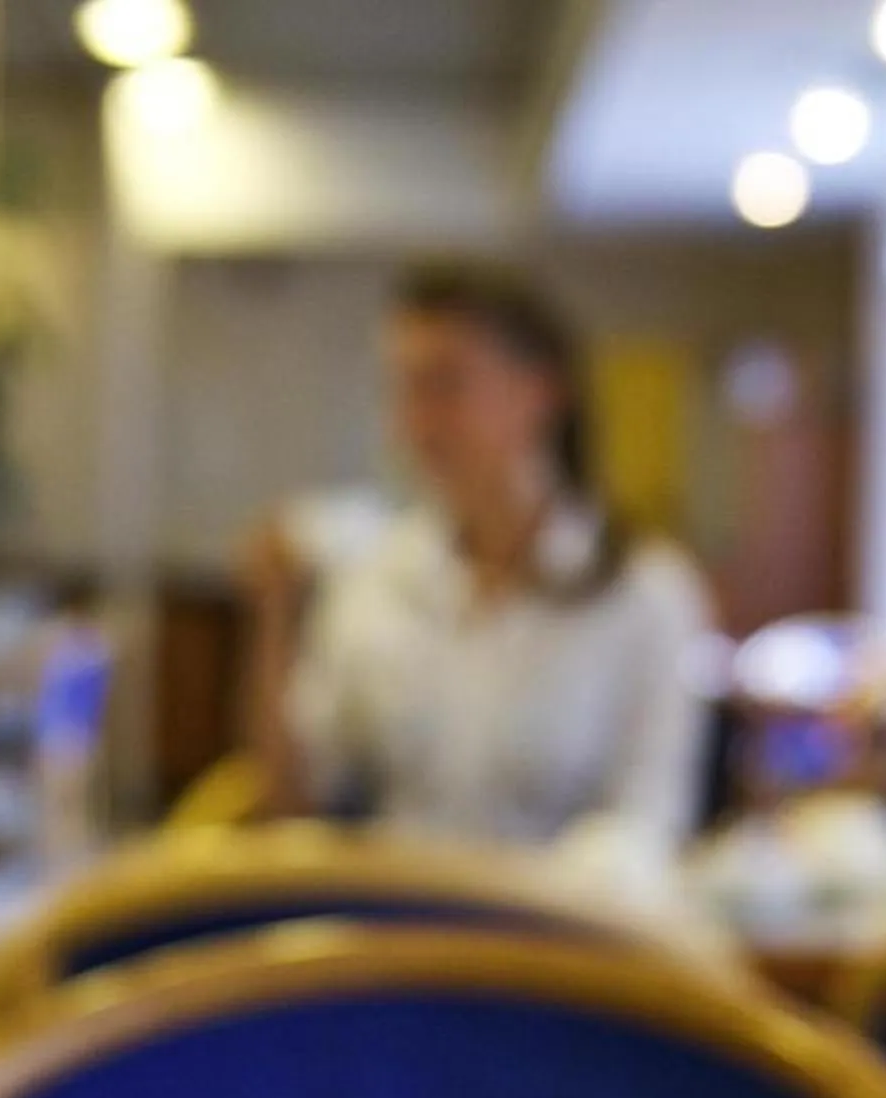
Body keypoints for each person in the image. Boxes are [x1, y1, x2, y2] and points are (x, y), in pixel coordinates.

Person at [242, 265, 716, 852]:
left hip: (564, 908)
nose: (416, 423)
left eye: (445, 385)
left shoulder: (648, 591)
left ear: (540, 391)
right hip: (392, 900)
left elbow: (648, 821)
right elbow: (295, 804)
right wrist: (276, 616)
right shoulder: (377, 578)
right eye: (403, 389)